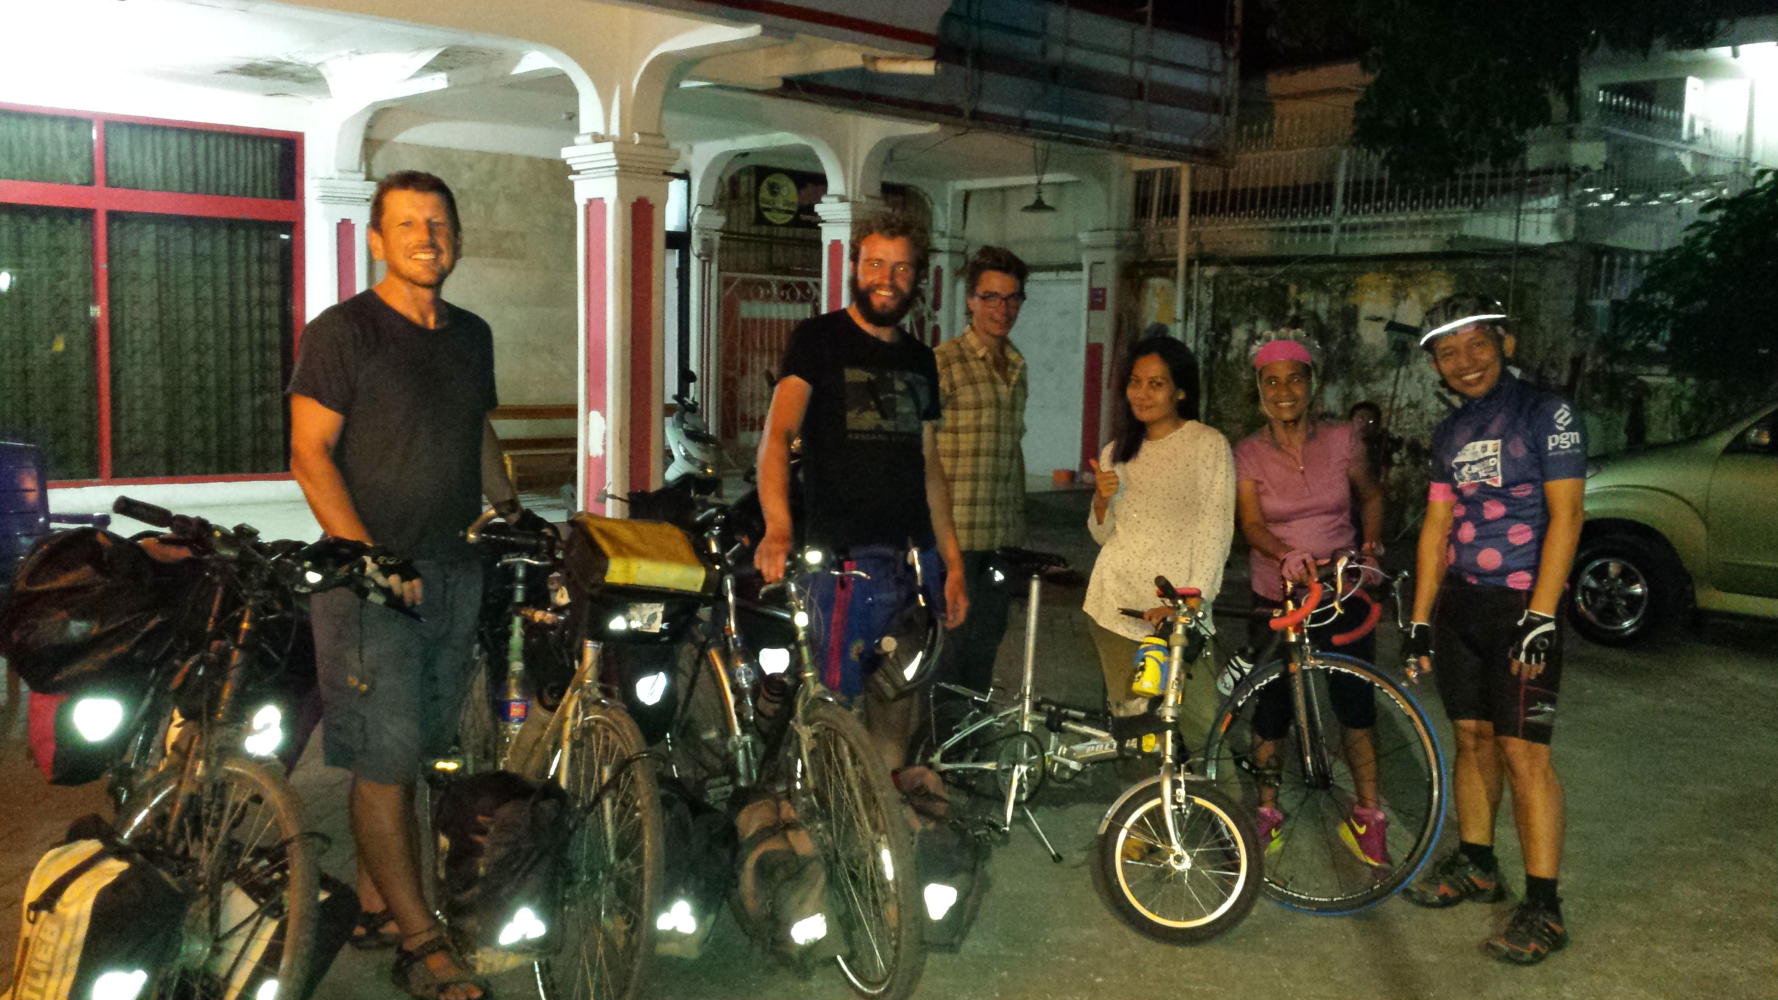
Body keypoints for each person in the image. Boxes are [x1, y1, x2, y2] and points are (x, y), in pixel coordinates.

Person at [289, 171, 531, 1000]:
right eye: (408, 224)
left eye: (439, 222)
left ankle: (374, 900)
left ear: (455, 238)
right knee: (385, 762)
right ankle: (422, 942)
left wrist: (511, 506)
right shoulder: (344, 333)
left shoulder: (472, 335)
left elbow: (475, 433)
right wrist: (372, 561)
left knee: (415, 753)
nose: (427, 236)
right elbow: (309, 454)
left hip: (454, 570)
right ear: (377, 240)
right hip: (369, 586)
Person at [1400, 294, 1585, 966]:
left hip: (1519, 609)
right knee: (1472, 738)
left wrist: (1542, 613)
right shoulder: (1450, 434)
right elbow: (1436, 527)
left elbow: (1567, 516)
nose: (1464, 361)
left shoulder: (1546, 413)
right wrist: (1420, 621)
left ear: (1504, 343)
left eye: (1477, 344)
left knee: (1524, 755)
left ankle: (1545, 907)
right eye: (1448, 352)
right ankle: (1478, 863)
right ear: (1437, 366)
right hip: (1462, 608)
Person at [752, 207, 968, 772]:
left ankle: (881, 825)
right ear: (855, 266)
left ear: (916, 277)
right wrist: (778, 527)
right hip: (840, 563)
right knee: (833, 706)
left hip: (911, 564)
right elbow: (778, 438)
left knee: (900, 698)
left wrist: (952, 559)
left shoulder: (920, 359)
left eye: (900, 269)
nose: (886, 279)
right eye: (875, 263)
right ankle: (821, 812)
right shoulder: (818, 340)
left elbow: (928, 466)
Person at [1232, 340, 1388, 864]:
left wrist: (1369, 547)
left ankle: (1368, 814)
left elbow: (1370, 495)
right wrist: (1286, 554)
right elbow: (1252, 524)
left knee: (1355, 702)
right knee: (1272, 708)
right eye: (1271, 382)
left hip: (1342, 587)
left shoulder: (1344, 438)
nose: (1284, 391)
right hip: (1276, 591)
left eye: (1294, 379)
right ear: (1258, 393)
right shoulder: (1248, 453)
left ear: (1311, 384)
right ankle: (1268, 811)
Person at [1083, 335, 1234, 751]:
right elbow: (1102, 535)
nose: (1142, 393)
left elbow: (1215, 532)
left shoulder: (1208, 445)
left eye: (1156, 383)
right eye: (1135, 382)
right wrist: (1101, 499)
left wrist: (1188, 606)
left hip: (1179, 615)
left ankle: (1218, 816)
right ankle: (1139, 815)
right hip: (1117, 608)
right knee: (1134, 734)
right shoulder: (1117, 451)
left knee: (1204, 730)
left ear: (1180, 390)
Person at [933, 245, 1030, 701]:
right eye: (991, 297)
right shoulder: (942, 364)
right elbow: (922, 453)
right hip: (953, 541)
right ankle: (934, 756)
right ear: (970, 299)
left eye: (1012, 298)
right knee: (946, 655)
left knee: (985, 648)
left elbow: (1011, 449)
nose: (1002, 309)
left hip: (999, 541)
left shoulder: (1016, 366)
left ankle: (969, 747)